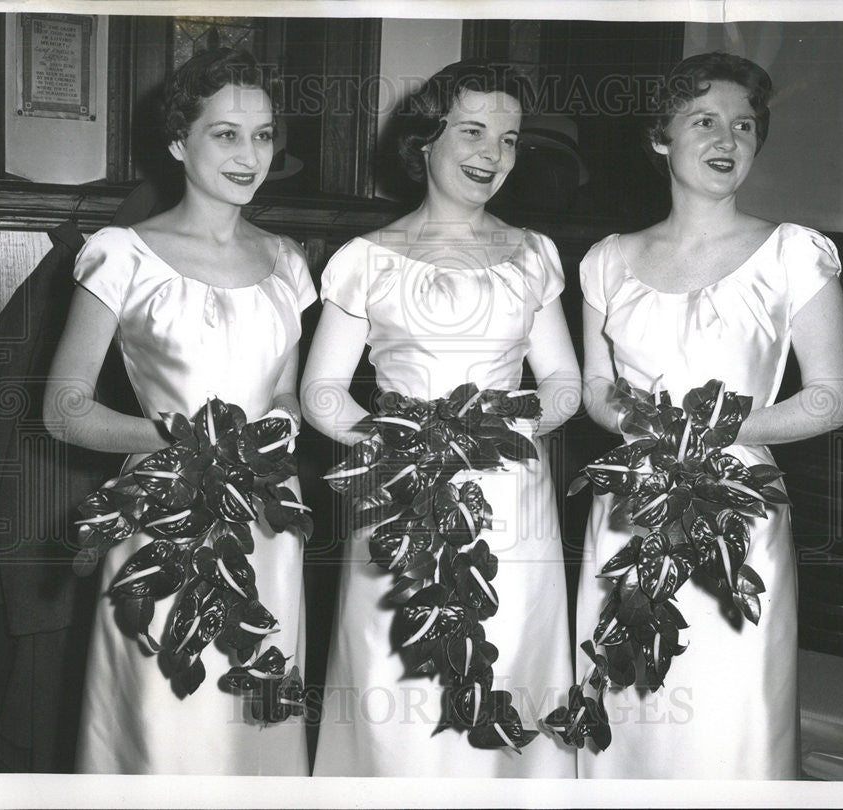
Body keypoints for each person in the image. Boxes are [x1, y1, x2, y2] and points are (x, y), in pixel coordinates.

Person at [576, 52, 843, 779]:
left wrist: (711, 434)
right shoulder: (607, 259)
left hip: (740, 512)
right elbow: (595, 390)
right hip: (627, 508)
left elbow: (829, 398)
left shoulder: (793, 252)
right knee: (630, 702)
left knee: (729, 711)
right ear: (661, 137)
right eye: (705, 121)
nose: (729, 139)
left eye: (745, 126)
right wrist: (649, 435)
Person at [302, 60, 580, 777]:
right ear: (426, 139)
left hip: (514, 504)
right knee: (400, 688)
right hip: (401, 499)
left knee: (510, 663)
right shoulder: (367, 259)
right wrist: (406, 448)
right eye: (474, 131)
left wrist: (501, 434)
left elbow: (563, 383)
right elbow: (323, 392)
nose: (493, 153)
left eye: (511, 138)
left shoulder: (532, 255)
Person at [43, 48, 316, 775]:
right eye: (225, 134)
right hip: (162, 515)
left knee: (255, 725)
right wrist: (180, 440)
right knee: (168, 722)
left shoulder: (289, 259)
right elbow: (63, 410)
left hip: (266, 518)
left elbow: (284, 390)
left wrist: (280, 424)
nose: (249, 153)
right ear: (177, 143)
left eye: (262, 135)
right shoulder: (123, 253)